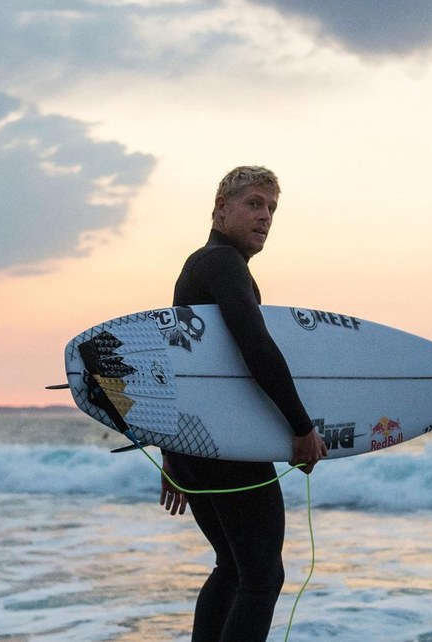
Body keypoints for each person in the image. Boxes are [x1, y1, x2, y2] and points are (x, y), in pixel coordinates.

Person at [159, 165, 328, 642]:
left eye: (271, 208)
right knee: (261, 577)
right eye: (254, 204)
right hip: (225, 447)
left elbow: (186, 366)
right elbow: (254, 346)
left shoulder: (200, 268)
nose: (265, 217)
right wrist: (301, 426)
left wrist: (173, 449)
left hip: (200, 445)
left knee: (233, 567)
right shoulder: (220, 263)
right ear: (221, 209)